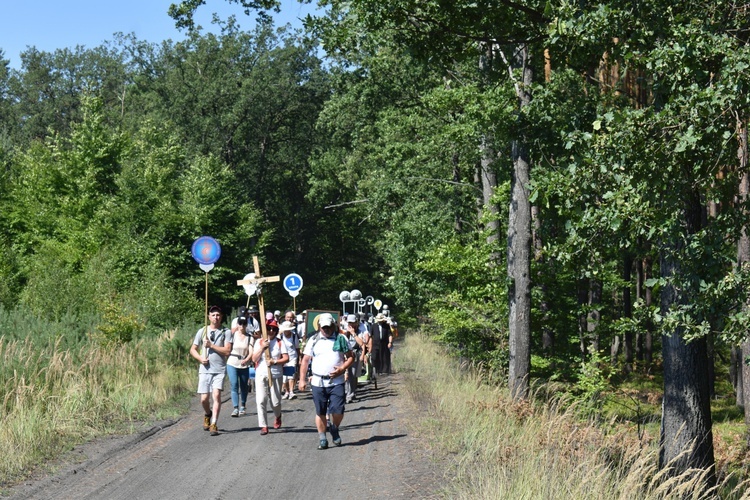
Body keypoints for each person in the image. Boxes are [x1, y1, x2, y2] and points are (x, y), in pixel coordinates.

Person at [298, 313, 355, 449]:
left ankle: (334, 428)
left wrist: (342, 368)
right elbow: (305, 360)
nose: (326, 330)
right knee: (321, 411)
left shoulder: (341, 339)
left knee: (338, 411)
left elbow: (351, 357)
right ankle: (322, 438)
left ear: (334, 325)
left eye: (329, 327)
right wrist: (301, 379)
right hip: (318, 382)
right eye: (324, 327)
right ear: (319, 327)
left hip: (337, 382)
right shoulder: (313, 340)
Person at [189, 305, 233, 436]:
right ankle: (208, 414)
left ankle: (214, 423)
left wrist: (211, 346)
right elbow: (193, 349)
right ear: (209, 317)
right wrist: (200, 358)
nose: (216, 317)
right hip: (205, 369)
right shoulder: (202, 331)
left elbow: (227, 351)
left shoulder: (226, 332)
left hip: (219, 369)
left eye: (218, 315)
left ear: (221, 317)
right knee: (204, 399)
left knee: (217, 395)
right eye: (213, 315)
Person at [251, 318, 289, 435]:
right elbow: (254, 359)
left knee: (275, 402)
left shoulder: (280, 342)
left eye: (273, 329)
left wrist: (275, 362)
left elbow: (286, 358)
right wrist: (262, 348)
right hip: (261, 373)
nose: (271, 331)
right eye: (268, 328)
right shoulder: (258, 342)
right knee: (261, 400)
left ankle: (278, 415)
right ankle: (263, 425)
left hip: (276, 374)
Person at [227, 307, 255, 417]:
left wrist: (247, 359)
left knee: (243, 385)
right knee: (234, 384)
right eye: (240, 323)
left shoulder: (249, 337)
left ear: (246, 325)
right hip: (232, 362)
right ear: (237, 324)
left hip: (244, 363)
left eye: (244, 324)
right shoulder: (232, 335)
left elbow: (251, 351)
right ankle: (235, 407)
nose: (242, 326)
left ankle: (243, 405)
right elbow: (228, 347)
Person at [343, 314, 365, 403]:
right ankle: (347, 393)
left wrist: (353, 334)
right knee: (346, 376)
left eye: (353, 323)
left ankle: (351, 393)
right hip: (346, 354)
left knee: (353, 375)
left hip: (355, 354)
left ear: (356, 323)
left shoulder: (359, 332)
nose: (351, 325)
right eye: (349, 323)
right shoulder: (345, 332)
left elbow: (361, 343)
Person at [279, 320, 300, 399]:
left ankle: (291, 391)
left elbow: (297, 348)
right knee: (284, 377)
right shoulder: (280, 336)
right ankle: (287, 391)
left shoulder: (294, 336)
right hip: (283, 358)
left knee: (291, 375)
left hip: (292, 357)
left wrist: (299, 358)